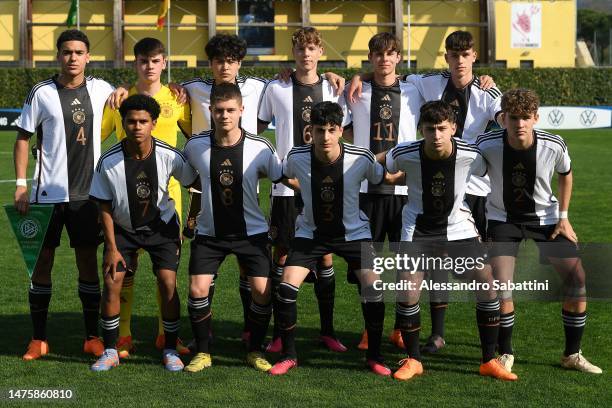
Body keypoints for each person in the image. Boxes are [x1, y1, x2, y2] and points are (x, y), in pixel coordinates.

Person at [348, 30, 502, 353]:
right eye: (454, 55)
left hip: (471, 191)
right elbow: (387, 73)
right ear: (446, 57)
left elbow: (507, 121)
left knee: (465, 270)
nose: (459, 61)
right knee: (396, 265)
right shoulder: (426, 84)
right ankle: (402, 332)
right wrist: (356, 75)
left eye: (466, 54)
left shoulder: (488, 92)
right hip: (419, 185)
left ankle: (471, 340)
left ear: (474, 56)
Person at [385, 100, 516, 381]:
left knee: (488, 286)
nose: (436, 135)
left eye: (442, 128)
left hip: (459, 228)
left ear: (454, 128)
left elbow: (486, 172)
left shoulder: (470, 154)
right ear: (421, 129)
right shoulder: (405, 153)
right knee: (408, 290)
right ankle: (414, 360)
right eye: (430, 129)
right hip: (417, 230)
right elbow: (377, 164)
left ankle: (488, 359)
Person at [477, 88, 602, 374]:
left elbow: (566, 174)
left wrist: (564, 217)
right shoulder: (486, 144)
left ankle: (572, 354)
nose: (519, 123)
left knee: (576, 279)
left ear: (535, 118)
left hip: (546, 219)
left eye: (524, 117)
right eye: (512, 117)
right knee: (501, 284)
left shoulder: (553, 144)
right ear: (503, 119)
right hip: (502, 219)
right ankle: (505, 352)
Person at [269, 101, 390, 376]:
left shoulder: (361, 157)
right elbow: (284, 175)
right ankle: (289, 356)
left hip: (355, 234)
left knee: (374, 289)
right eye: (319, 130)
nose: (325, 136)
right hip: (310, 234)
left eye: (331, 130)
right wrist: (305, 186)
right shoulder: (297, 157)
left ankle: (374, 356)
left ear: (340, 131)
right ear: (310, 130)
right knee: (286, 289)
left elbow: (380, 176)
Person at [14, 29, 114, 361]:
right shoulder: (40, 93)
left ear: (88, 57)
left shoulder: (102, 90)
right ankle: (38, 339)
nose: (73, 57)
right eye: (67, 52)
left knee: (88, 262)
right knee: (41, 264)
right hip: (47, 195)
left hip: (88, 196)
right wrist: (20, 183)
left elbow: (135, 102)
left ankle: (90, 337)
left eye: (79, 52)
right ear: (59, 56)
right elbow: (23, 138)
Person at [257, 27, 350, 354]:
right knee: (282, 257)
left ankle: (327, 331)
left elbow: (345, 132)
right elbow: (257, 129)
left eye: (312, 48)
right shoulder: (277, 86)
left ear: (320, 52)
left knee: (324, 255)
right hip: (285, 189)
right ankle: (282, 334)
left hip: (324, 187)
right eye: (300, 48)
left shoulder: (333, 87)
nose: (306, 54)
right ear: (293, 52)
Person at [89, 94, 196, 372]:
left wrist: (191, 219)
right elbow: (103, 205)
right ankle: (111, 350)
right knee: (112, 281)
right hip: (123, 230)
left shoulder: (169, 155)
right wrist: (111, 247)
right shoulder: (108, 161)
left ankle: (171, 349)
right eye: (131, 121)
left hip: (162, 229)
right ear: (123, 124)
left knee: (167, 284)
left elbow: (194, 184)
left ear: (154, 123)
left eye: (143, 121)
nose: (137, 126)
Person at [101, 37, 192, 358]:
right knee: (126, 266)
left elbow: (195, 140)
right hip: (125, 199)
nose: (149, 67)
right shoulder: (119, 100)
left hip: (168, 200)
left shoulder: (179, 98)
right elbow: (98, 142)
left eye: (155, 61)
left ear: (164, 63)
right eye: (143, 61)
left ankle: (163, 336)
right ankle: (123, 335)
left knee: (166, 270)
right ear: (135, 63)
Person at [182, 83, 283, 373]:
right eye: (218, 110)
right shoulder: (194, 146)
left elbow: (281, 181)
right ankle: (202, 352)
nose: (224, 115)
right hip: (209, 234)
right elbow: (190, 182)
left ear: (241, 111)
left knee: (262, 292)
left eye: (230, 110)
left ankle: (254, 351)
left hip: (251, 235)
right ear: (210, 111)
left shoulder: (261, 148)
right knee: (198, 289)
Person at [343, 31, 422, 351]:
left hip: (407, 193)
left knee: (406, 266)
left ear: (399, 58)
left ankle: (401, 329)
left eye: (390, 54)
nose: (384, 59)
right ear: (370, 58)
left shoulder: (415, 89)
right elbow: (343, 131)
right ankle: (369, 329)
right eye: (378, 54)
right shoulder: (356, 92)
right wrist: (354, 77)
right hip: (366, 192)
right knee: (369, 268)